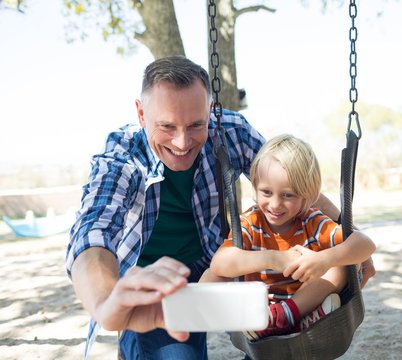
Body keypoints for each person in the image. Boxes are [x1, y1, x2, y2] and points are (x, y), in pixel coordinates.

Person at [65, 56, 374, 359]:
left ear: (210, 112)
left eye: (196, 124)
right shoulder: (123, 155)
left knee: (279, 344)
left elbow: (293, 181)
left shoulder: (228, 130)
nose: (182, 141)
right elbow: (94, 232)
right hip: (154, 279)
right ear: (141, 113)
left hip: (213, 261)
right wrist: (105, 302)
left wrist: (352, 240)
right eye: (167, 126)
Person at [208, 134, 376, 340]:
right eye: (266, 192)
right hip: (259, 310)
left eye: (287, 195)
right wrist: (273, 258)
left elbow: (365, 244)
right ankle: (265, 318)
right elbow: (219, 264)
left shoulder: (311, 221)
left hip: (301, 303)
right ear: (255, 187)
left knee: (344, 264)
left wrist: (324, 259)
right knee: (213, 274)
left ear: (307, 195)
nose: (275, 204)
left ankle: (290, 317)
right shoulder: (251, 222)